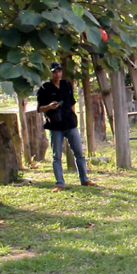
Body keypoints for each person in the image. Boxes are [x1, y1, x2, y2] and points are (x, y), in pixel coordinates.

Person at [37, 62, 96, 192]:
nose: (57, 74)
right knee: (56, 156)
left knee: (79, 153)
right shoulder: (44, 88)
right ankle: (59, 183)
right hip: (55, 125)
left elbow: (72, 102)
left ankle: (84, 179)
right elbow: (39, 109)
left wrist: (73, 116)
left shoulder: (67, 85)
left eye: (59, 71)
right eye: (54, 72)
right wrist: (49, 107)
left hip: (70, 123)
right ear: (50, 73)